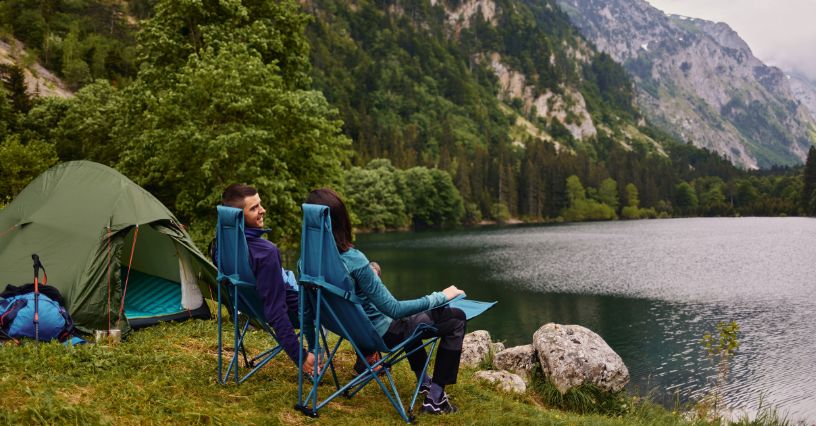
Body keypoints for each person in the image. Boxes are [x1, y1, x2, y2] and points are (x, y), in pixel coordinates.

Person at [305, 188, 467, 415]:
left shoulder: (307, 263)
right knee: (457, 319)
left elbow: (306, 312)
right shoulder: (353, 260)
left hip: (353, 332)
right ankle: (436, 400)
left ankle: (424, 382)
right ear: (342, 221)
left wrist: (313, 349)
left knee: (413, 321)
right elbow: (393, 309)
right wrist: (440, 296)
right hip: (383, 335)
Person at [217, 184, 318, 375]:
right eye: (254, 208)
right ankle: (366, 355)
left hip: (247, 305)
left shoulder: (222, 244)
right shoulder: (266, 253)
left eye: (260, 204)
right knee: (337, 296)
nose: (262, 210)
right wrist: (300, 356)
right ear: (237, 216)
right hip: (297, 310)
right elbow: (276, 311)